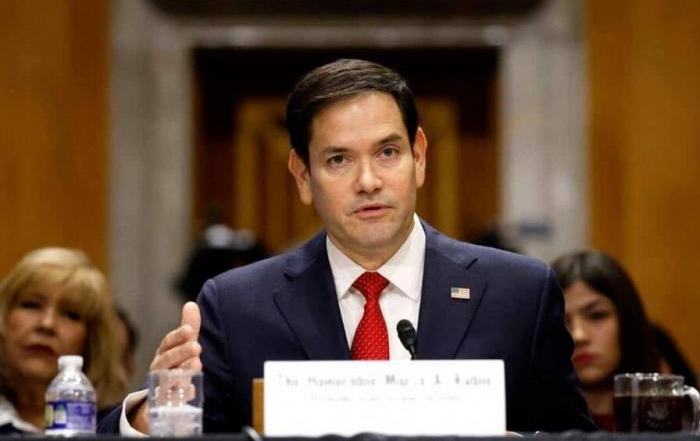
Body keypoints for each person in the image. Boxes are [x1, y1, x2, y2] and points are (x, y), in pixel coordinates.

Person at [101, 59, 595, 434]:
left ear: (419, 157)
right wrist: (149, 418)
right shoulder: (235, 306)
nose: (368, 181)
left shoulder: (518, 293)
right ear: (302, 175)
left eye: (387, 152)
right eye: (338, 159)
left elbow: (575, 436)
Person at [0, 247, 128, 434]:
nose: (47, 324)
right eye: (31, 305)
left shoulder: (116, 428)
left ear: (91, 340)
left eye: (70, 314)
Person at [551, 250, 660, 431]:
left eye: (596, 315)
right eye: (563, 323)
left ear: (628, 321)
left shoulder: (675, 416)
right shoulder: (526, 428)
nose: (579, 336)